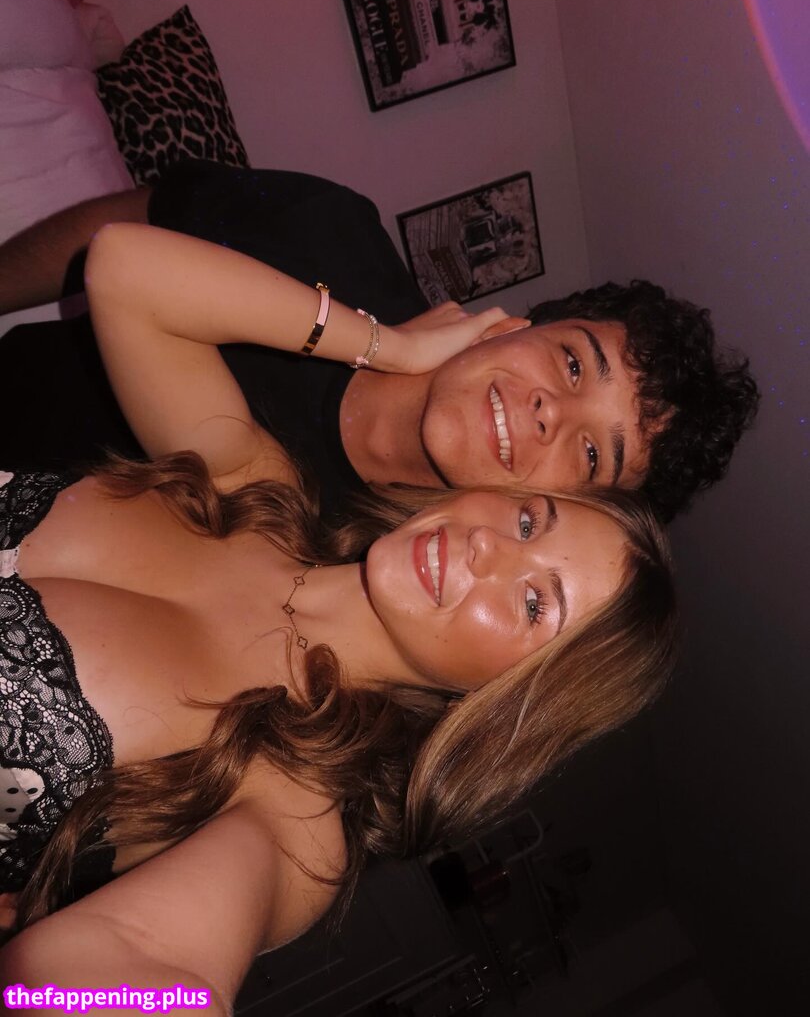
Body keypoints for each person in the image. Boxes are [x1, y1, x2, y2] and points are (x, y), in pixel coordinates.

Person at [0, 223, 677, 1010]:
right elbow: (125, 268)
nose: (490, 548)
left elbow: (131, 969)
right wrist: (393, 347)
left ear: (511, 701)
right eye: (528, 521)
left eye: (534, 603)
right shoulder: (260, 492)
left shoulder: (297, 812)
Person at [0, 163, 759, 520]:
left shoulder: (387, 578)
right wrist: (384, 346)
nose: (550, 414)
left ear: (564, 505)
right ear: (515, 325)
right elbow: (120, 233)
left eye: (593, 454)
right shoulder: (327, 227)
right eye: (571, 364)